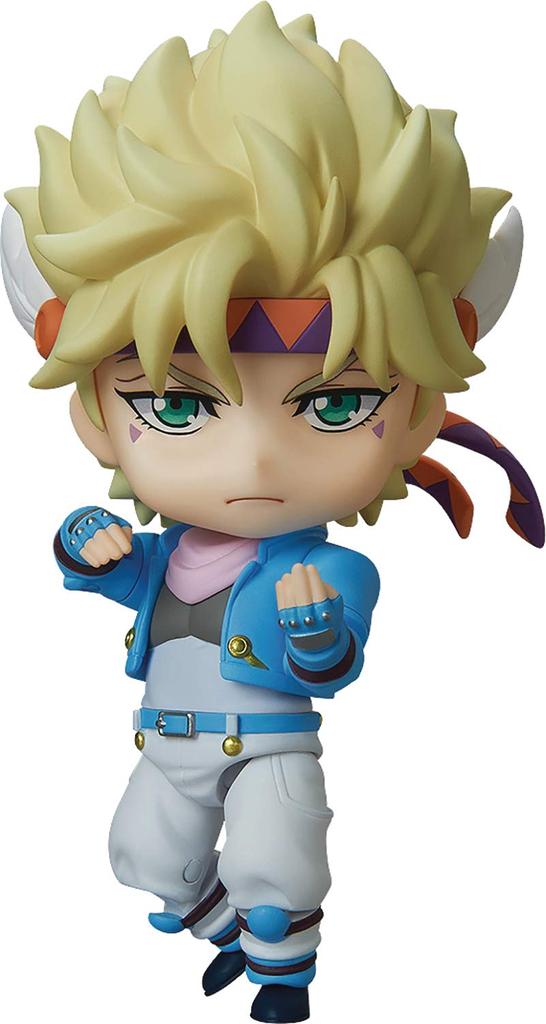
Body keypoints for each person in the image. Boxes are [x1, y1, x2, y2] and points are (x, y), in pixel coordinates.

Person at [2, 5, 542, 1022]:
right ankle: (223, 929)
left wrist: (314, 631)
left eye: (335, 406)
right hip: (163, 739)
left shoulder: (332, 570)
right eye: (177, 406)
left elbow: (332, 659)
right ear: (96, 420)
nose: (253, 458)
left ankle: (283, 972)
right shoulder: (169, 550)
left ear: (416, 414)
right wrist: (86, 545)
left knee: (276, 858)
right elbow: (125, 572)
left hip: (269, 748)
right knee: (139, 858)